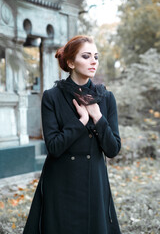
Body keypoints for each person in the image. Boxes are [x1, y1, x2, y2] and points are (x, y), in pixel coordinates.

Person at [23, 35, 121, 234]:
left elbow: (113, 149)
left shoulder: (106, 98)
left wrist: (98, 118)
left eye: (96, 56)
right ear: (70, 62)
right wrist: (81, 122)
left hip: (94, 181)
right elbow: (54, 147)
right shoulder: (52, 96)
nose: (93, 61)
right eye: (86, 56)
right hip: (61, 182)